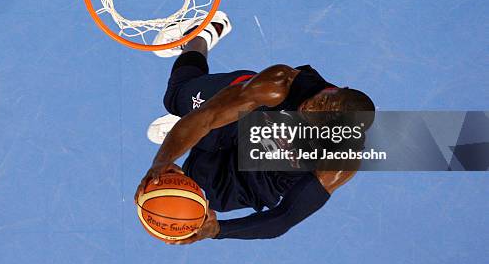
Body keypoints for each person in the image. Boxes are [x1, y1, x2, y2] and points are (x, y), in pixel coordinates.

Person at [136, 12, 375, 242]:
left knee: (201, 192)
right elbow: (206, 117)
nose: (311, 108)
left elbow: (285, 217)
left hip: (261, 173)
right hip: (246, 114)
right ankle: (199, 34)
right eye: (323, 99)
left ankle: (192, 134)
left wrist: (218, 230)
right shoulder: (281, 83)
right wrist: (161, 162)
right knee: (177, 98)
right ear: (337, 88)